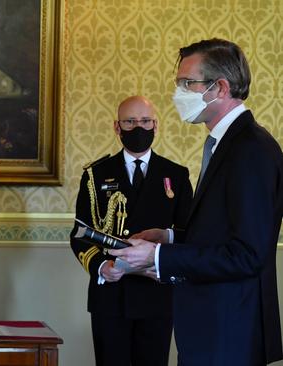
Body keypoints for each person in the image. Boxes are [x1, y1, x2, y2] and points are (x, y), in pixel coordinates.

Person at [110, 38, 283, 365]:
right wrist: (170, 237)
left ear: (220, 87)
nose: (179, 93)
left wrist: (160, 256)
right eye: (178, 83)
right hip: (212, 327)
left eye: (187, 83)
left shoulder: (251, 150)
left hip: (229, 330)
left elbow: (247, 255)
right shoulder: (227, 143)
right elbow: (222, 232)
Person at [70, 96, 193, 366]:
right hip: (111, 295)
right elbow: (79, 233)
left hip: (157, 294)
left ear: (156, 125)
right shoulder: (96, 174)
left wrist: (163, 258)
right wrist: (101, 266)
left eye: (145, 121)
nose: (139, 127)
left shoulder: (176, 175)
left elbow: (188, 235)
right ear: (117, 127)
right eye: (130, 121)